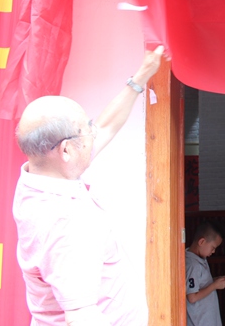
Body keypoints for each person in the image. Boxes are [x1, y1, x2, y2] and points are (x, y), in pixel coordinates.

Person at [12, 45, 165, 326]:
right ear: (66, 150)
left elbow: (105, 126)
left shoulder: (39, 177)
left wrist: (141, 76)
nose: (93, 133)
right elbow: (81, 317)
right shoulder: (67, 223)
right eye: (86, 129)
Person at [185, 221, 225, 326]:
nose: (213, 252)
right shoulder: (192, 264)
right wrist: (215, 285)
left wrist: (217, 281)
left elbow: (200, 283)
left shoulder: (200, 258)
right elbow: (192, 297)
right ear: (202, 242)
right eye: (213, 248)